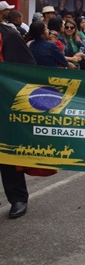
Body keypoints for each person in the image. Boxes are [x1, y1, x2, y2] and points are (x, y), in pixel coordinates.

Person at [0, 19, 37, 219]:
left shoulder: (9, 35)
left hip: (4, 105)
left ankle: (17, 198)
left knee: (7, 153)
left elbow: (27, 70)